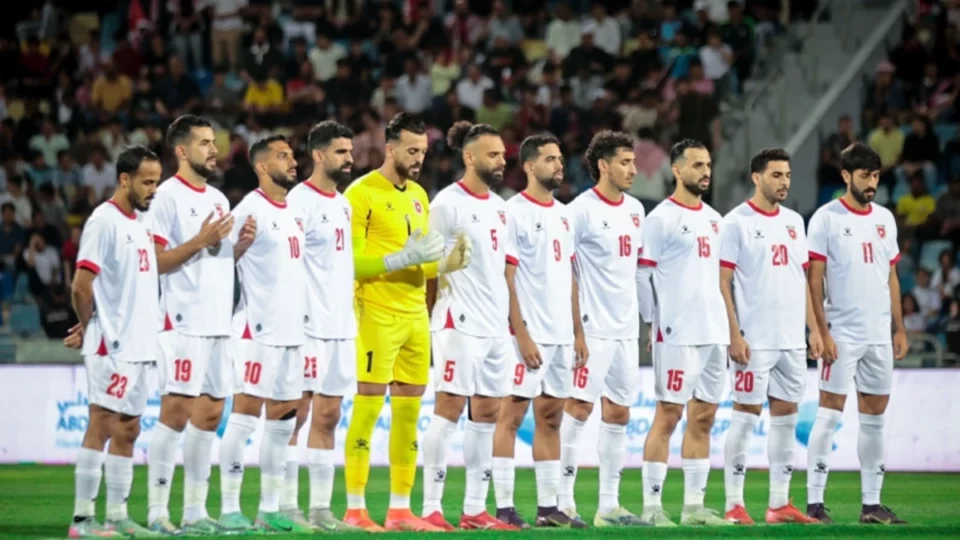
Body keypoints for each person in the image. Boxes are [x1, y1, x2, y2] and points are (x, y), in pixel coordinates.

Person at [341, 113, 469, 532]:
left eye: (423, 152)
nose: (418, 159)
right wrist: (400, 259)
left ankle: (400, 511)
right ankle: (355, 510)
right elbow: (350, 262)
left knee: (409, 415)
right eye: (411, 151)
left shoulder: (418, 195)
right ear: (390, 147)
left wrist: (444, 265)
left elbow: (422, 262)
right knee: (367, 410)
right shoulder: (361, 193)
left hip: (416, 315)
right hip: (376, 313)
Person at [420, 121, 517, 531]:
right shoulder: (446, 203)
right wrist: (426, 320)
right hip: (457, 321)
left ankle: (475, 509)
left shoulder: (501, 207)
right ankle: (431, 507)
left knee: (488, 412)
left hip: (495, 325)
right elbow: (425, 265)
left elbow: (504, 272)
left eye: (503, 155)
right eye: (493, 155)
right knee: (449, 408)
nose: (501, 161)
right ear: (470, 157)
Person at [717, 148, 822, 525]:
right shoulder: (736, 222)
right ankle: (734, 504)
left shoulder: (794, 221)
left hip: (791, 341)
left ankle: (779, 504)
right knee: (745, 415)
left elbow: (802, 280)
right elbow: (722, 282)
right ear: (756, 177)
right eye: (776, 175)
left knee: (786, 417)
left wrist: (814, 328)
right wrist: (734, 334)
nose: (784, 182)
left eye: (788, 175)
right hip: (754, 340)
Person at [805, 143, 908, 525]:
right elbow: (814, 280)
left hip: (879, 335)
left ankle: (871, 505)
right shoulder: (826, 218)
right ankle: (815, 504)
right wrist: (821, 331)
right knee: (829, 415)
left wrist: (899, 327)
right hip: (842, 333)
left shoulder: (885, 219)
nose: (871, 183)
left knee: (875, 418)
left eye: (876, 175)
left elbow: (891, 276)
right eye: (865, 175)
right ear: (846, 176)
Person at [145, 114, 238, 535]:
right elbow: (154, 262)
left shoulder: (219, 199)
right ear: (181, 151)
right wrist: (200, 241)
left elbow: (215, 258)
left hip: (218, 322)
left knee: (211, 413)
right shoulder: (165, 197)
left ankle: (195, 511)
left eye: (214, 142)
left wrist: (239, 247)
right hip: (181, 320)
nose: (214, 149)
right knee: (177, 412)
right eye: (204, 143)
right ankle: (156, 511)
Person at [490, 134, 588, 529]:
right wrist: (521, 334)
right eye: (550, 159)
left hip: (561, 337)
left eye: (560, 158)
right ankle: (503, 507)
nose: (559, 165)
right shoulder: (512, 212)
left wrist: (578, 333)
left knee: (551, 419)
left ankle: (549, 509)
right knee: (510, 417)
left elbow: (570, 278)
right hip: (527, 336)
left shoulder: (565, 215)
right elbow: (506, 279)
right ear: (529, 166)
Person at [216, 135, 312, 534]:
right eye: (282, 156)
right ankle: (229, 509)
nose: (292, 162)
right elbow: (216, 264)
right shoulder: (248, 210)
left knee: (284, 421)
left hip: (291, 332)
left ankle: (269, 508)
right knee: (244, 417)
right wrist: (237, 249)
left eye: (292, 155)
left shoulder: (294, 211)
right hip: (256, 330)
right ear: (261, 166)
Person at [65, 145, 161, 537]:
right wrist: (88, 324)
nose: (153, 189)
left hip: (141, 344)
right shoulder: (103, 221)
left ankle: (118, 515)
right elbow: (80, 286)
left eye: (156, 182)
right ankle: (82, 519)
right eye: (147, 182)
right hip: (112, 343)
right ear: (124, 179)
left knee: (129, 429)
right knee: (102, 424)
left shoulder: (141, 222)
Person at [556, 130, 649, 528]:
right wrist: (576, 331)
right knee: (578, 407)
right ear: (603, 166)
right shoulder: (579, 211)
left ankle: (609, 507)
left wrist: (646, 321)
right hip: (591, 330)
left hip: (626, 330)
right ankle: (562, 502)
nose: (633, 169)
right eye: (625, 162)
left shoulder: (636, 210)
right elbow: (566, 272)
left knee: (619, 413)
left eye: (633, 161)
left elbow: (637, 271)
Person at [636, 139, 731, 527]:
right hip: (676, 331)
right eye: (697, 165)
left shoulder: (716, 219)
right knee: (669, 414)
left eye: (708, 164)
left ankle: (694, 508)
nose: (705, 172)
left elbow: (721, 279)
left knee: (704, 417)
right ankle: (652, 507)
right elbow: (643, 274)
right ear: (677, 170)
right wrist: (651, 320)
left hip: (714, 331)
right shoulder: (661, 218)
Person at [282, 121, 361, 531]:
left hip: (341, 325)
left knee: (329, 415)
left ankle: (320, 509)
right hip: (308, 325)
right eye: (341, 152)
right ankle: (285, 505)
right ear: (318, 155)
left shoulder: (343, 203)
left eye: (350, 151)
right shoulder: (298, 201)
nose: (350, 158)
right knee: (295, 415)